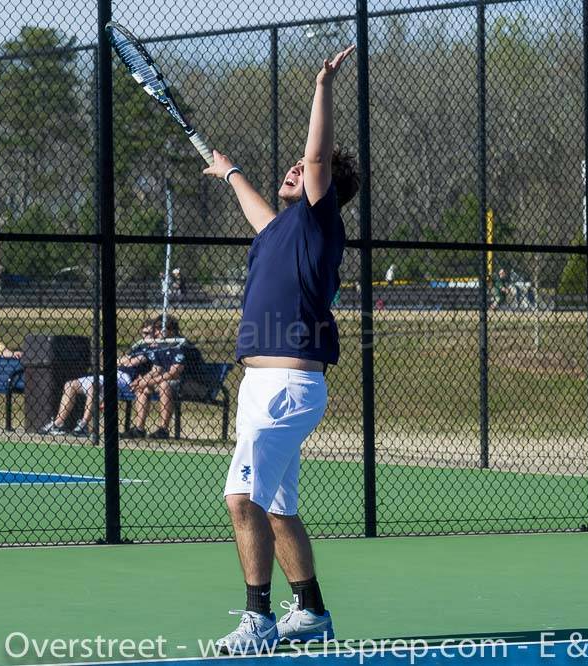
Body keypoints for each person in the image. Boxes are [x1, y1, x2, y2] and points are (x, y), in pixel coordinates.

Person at [201, 45, 360, 654]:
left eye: (303, 168)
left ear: (323, 188)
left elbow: (318, 152)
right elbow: (256, 210)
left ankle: (258, 620)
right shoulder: (279, 232)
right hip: (264, 389)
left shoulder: (319, 222)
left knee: (241, 497)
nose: (294, 169)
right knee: (277, 507)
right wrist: (231, 170)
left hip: (287, 388)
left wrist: (322, 84)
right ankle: (312, 611)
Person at [39, 319, 160, 437]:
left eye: (149, 333)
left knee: (94, 385)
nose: (146, 336)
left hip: (127, 380)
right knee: (70, 384)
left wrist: (121, 361)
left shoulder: (155, 348)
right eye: (144, 333)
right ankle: (58, 424)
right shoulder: (138, 346)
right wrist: (121, 361)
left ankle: (84, 425)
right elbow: (124, 360)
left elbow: (132, 362)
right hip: (112, 374)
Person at [122, 317, 207, 440]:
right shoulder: (162, 345)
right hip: (176, 383)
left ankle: (164, 429)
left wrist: (149, 380)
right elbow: (157, 369)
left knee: (164, 385)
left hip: (197, 385)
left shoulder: (181, 345)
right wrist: (143, 380)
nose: (155, 333)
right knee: (143, 386)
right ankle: (139, 428)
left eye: (158, 330)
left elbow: (174, 373)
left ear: (171, 331)